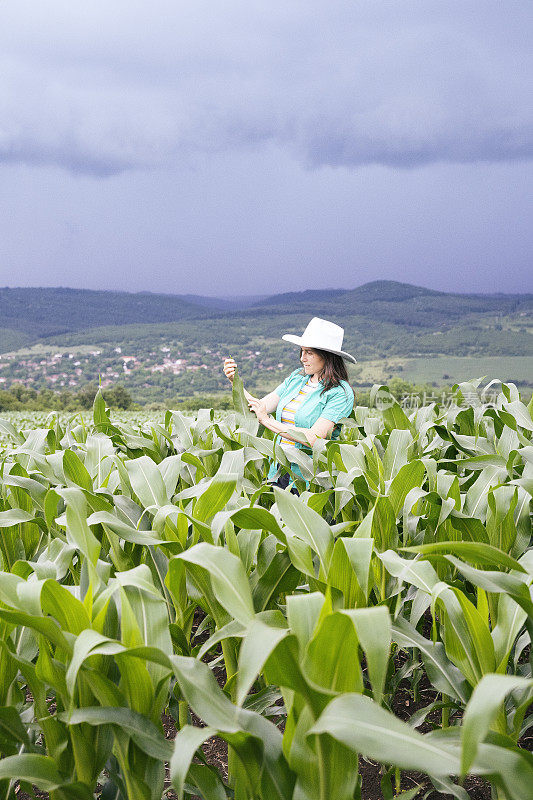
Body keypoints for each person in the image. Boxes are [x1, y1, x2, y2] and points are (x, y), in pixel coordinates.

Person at [223, 317, 356, 489]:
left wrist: (268, 421)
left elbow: (313, 438)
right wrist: (235, 381)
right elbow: (259, 408)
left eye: (309, 353)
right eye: (302, 351)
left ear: (327, 357)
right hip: (279, 471)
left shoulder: (340, 393)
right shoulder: (297, 378)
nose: (302, 358)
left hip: (311, 480)